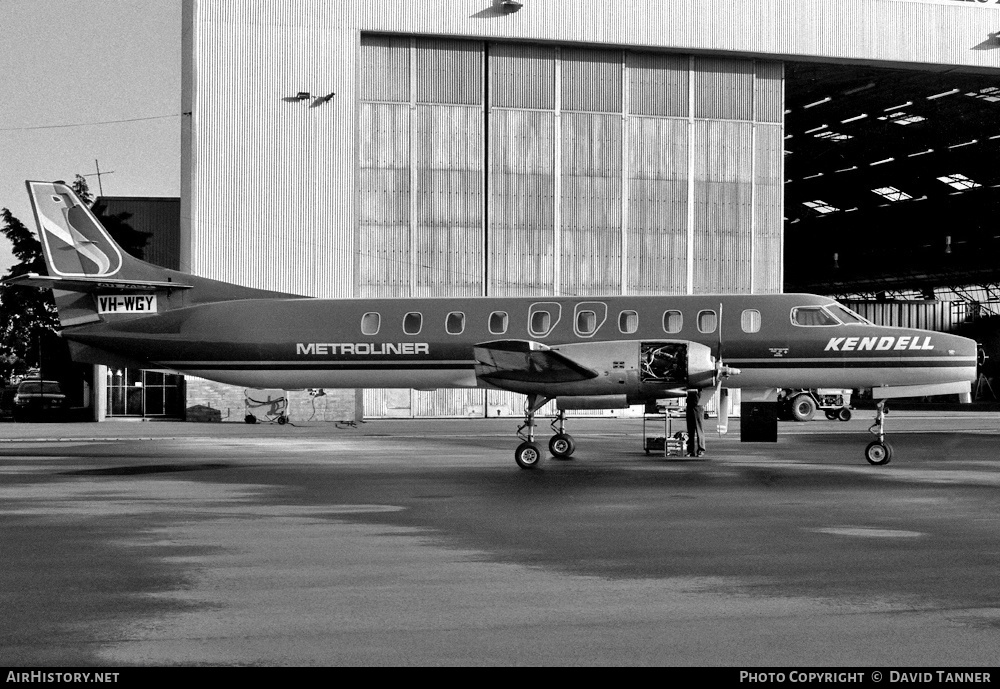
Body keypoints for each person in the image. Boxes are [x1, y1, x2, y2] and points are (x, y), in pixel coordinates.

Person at [685, 389, 706, 457]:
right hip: (690, 405)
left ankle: (701, 449)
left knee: (699, 430)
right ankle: (691, 450)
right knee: (690, 430)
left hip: (697, 405)